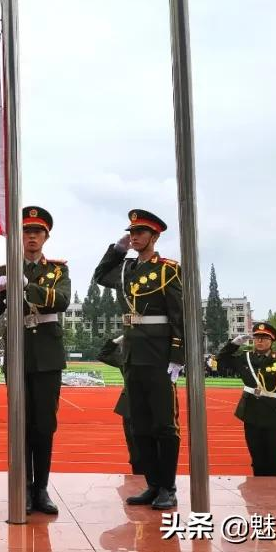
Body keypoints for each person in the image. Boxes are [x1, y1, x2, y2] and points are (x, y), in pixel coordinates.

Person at [0, 205, 70, 515]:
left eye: (37, 232)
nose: (31, 236)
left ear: (46, 236)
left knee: (44, 424)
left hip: (47, 355)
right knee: (22, 424)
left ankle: (41, 489)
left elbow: (61, 299)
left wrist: (24, 286)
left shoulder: (58, 270)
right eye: (27, 231)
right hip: (17, 353)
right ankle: (25, 488)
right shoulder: (5, 270)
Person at [93, 209, 184, 510]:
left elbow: (179, 315)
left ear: (155, 236)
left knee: (164, 425)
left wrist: (177, 357)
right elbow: (99, 276)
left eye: (141, 232)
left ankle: (168, 487)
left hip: (159, 355)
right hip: (133, 353)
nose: (135, 236)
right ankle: (153, 484)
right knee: (140, 425)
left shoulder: (167, 270)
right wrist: (116, 251)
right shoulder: (125, 270)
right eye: (131, 232)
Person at [216, 322, 276, 477]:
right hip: (252, 414)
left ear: (271, 340)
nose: (260, 341)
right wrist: (233, 344)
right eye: (257, 337)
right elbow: (221, 360)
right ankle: (259, 497)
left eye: (264, 338)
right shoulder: (244, 358)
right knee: (257, 459)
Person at [98, 335, 143, 474]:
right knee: (132, 442)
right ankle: (137, 470)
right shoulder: (124, 359)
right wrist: (117, 340)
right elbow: (102, 355)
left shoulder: (151, 357)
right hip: (129, 403)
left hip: (146, 403)